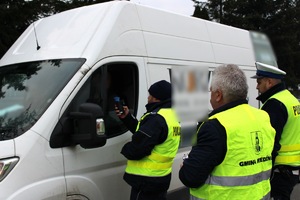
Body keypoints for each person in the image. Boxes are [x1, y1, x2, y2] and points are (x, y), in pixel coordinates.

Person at [179, 64, 276, 199]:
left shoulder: (215, 126)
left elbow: (190, 177)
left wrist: (186, 166)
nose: (210, 97)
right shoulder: (262, 117)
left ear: (218, 95)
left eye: (211, 91)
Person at [115, 80, 181, 200]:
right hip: (160, 178)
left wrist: (124, 149)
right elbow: (147, 134)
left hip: (146, 181)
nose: (148, 97)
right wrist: (128, 118)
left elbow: (137, 148)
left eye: (150, 95)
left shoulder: (156, 119)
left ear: (157, 98)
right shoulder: (171, 115)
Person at [251, 62, 300, 200]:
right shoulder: (290, 99)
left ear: (269, 82)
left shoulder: (274, 104)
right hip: (291, 168)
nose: (257, 86)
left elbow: (270, 142)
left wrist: (263, 173)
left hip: (279, 170)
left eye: (259, 82)